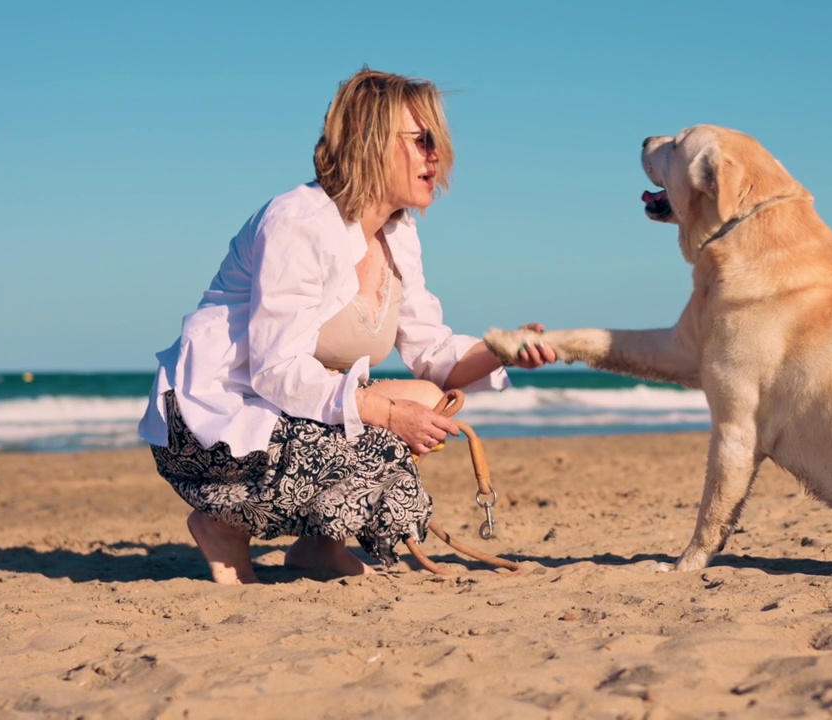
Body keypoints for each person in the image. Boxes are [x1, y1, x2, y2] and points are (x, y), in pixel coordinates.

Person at [137, 68, 557, 585]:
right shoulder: (298, 222)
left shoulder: (398, 234)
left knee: (425, 398)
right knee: (386, 423)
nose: (436, 156)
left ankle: (319, 549)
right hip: (214, 423)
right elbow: (274, 370)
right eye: (422, 140)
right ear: (372, 143)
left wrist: (504, 349)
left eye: (439, 142)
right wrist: (384, 412)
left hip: (280, 410)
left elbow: (433, 352)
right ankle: (221, 522)